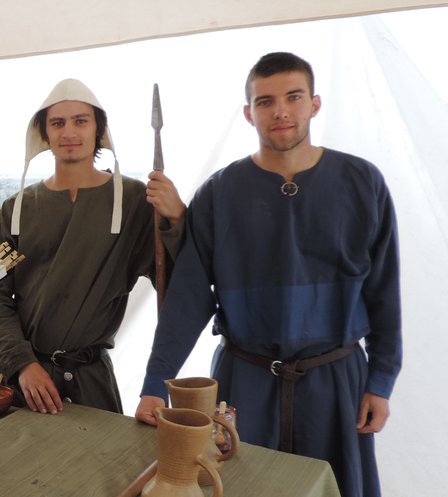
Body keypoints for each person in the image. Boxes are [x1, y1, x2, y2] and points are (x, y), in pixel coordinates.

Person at [135, 52, 401, 497]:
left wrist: (381, 380)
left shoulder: (362, 182)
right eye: (265, 101)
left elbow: (384, 293)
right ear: (248, 113)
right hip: (246, 380)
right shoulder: (220, 192)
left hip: (335, 381)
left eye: (293, 97)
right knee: (242, 486)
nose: (280, 111)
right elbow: (188, 300)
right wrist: (154, 383)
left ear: (314, 104)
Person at [0, 78, 185, 415]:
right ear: (44, 132)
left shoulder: (133, 201)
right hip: (29, 383)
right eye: (58, 123)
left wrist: (177, 220)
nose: (69, 132)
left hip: (92, 381)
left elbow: (177, 285)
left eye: (80, 121)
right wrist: (21, 364)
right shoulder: (17, 209)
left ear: (98, 129)